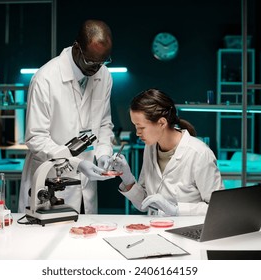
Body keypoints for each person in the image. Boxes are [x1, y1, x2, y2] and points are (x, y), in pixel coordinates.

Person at [18, 19, 115, 214]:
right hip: (51, 177)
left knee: (84, 237)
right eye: (92, 62)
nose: (97, 68)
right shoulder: (45, 79)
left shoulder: (103, 75)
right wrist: (76, 163)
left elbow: (104, 124)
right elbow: (36, 138)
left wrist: (104, 153)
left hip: (86, 183)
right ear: (77, 48)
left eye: (102, 62)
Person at [108, 88, 224, 216]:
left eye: (141, 127)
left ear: (162, 122)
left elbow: (218, 208)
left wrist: (176, 210)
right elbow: (144, 204)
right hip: (156, 228)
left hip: (188, 230)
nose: (137, 133)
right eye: (135, 126)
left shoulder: (199, 153)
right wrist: (127, 178)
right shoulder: (150, 148)